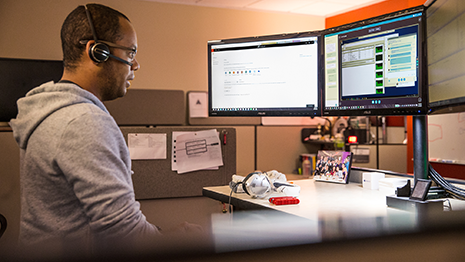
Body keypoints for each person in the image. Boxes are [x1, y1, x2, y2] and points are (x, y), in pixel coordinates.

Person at [10, 4, 199, 249]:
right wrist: (176, 238)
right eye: (130, 53)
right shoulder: (83, 122)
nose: (135, 65)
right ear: (97, 52)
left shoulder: (52, 111)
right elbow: (123, 232)